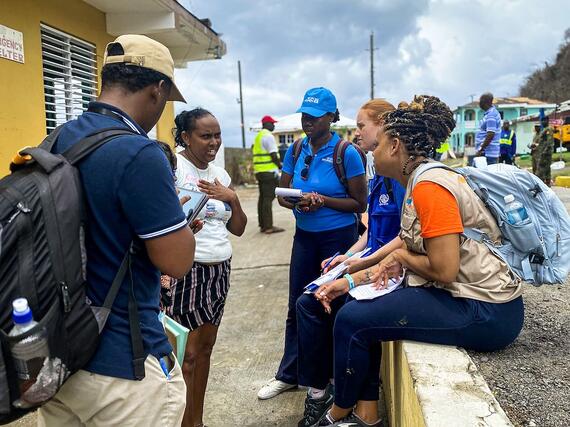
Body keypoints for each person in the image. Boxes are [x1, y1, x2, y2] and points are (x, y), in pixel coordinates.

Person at [309, 95, 524, 426]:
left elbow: (445, 269)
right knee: (362, 312)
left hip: (488, 311)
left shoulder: (429, 186)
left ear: (395, 146)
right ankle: (364, 414)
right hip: (471, 298)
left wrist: (397, 256)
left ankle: (337, 414)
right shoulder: (419, 180)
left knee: (353, 320)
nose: (372, 151)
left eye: (378, 144)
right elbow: (416, 253)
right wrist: (351, 279)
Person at [38, 35, 196, 426]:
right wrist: (175, 217)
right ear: (157, 90)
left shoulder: (57, 140)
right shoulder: (139, 152)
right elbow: (176, 262)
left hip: (60, 358)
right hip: (124, 367)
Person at [295, 99, 405, 427]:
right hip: (371, 259)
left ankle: (346, 403)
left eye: (361, 125)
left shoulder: (400, 175)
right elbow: (372, 232)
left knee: (345, 313)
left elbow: (406, 235)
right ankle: (321, 389)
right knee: (307, 301)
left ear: (384, 126)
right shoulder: (382, 174)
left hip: (390, 268)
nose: (357, 133)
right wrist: (349, 255)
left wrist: (362, 263)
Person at [257, 87, 367, 401]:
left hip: (338, 240)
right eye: (305, 115)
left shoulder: (346, 152)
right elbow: (282, 195)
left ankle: (331, 377)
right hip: (304, 238)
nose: (308, 122)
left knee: (330, 305)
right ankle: (289, 375)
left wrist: (324, 201)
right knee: (296, 306)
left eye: (316, 117)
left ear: (331, 118)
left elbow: (360, 203)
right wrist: (298, 204)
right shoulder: (295, 150)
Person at [171, 108, 247, 427]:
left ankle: (197, 422)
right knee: (184, 357)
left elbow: (239, 228)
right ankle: (181, 422)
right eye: (205, 136)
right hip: (188, 269)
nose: (213, 142)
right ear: (186, 137)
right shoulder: (174, 166)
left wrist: (232, 198)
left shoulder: (220, 174)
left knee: (205, 350)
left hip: (220, 267)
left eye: (217, 135)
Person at [253, 115, 284, 234]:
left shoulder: (258, 136)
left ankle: (263, 224)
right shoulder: (268, 136)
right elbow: (273, 156)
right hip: (268, 173)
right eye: (272, 123)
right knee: (268, 198)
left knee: (262, 198)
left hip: (259, 172)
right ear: (266, 124)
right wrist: (281, 167)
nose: (274, 125)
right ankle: (268, 227)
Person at [475, 92, 501, 165]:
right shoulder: (490, 114)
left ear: (485, 102)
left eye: (480, 101)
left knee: (485, 175)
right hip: (487, 153)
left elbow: (490, 134)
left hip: (488, 154)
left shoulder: (491, 115)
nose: (479, 103)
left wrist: (481, 149)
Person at [536, 117, 554, 186]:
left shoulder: (548, 130)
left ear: (547, 121)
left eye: (544, 121)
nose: (543, 122)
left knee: (541, 168)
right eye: (542, 121)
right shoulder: (545, 130)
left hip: (545, 153)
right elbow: (542, 142)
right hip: (543, 152)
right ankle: (547, 183)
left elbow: (549, 143)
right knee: (546, 168)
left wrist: (544, 152)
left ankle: (541, 184)